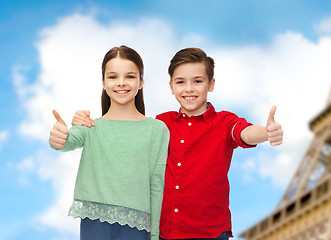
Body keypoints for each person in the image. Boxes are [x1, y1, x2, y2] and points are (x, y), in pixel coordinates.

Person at [72, 47, 283, 240]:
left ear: (211, 84)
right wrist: (84, 122)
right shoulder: (160, 124)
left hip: (209, 233)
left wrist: (266, 132)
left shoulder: (223, 122)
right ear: (171, 87)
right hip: (166, 233)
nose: (189, 89)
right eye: (181, 82)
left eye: (198, 81)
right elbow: (127, 135)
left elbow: (244, 133)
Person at [49, 45, 169, 240]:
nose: (121, 83)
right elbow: (68, 141)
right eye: (113, 77)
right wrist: (59, 138)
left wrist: (155, 235)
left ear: (141, 82)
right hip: (94, 223)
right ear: (103, 83)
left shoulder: (157, 129)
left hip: (138, 226)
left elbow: (157, 184)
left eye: (130, 76)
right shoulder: (89, 126)